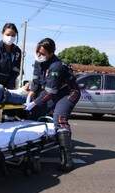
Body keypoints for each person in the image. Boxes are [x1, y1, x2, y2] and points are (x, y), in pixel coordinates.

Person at [25, 38, 81, 172]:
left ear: (51, 53)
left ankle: (67, 160)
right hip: (54, 92)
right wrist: (30, 95)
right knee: (33, 114)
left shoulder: (56, 66)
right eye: (38, 52)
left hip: (69, 92)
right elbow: (36, 83)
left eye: (43, 53)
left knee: (59, 118)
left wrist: (34, 103)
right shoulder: (38, 62)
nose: (39, 55)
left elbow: (49, 92)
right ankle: (33, 150)